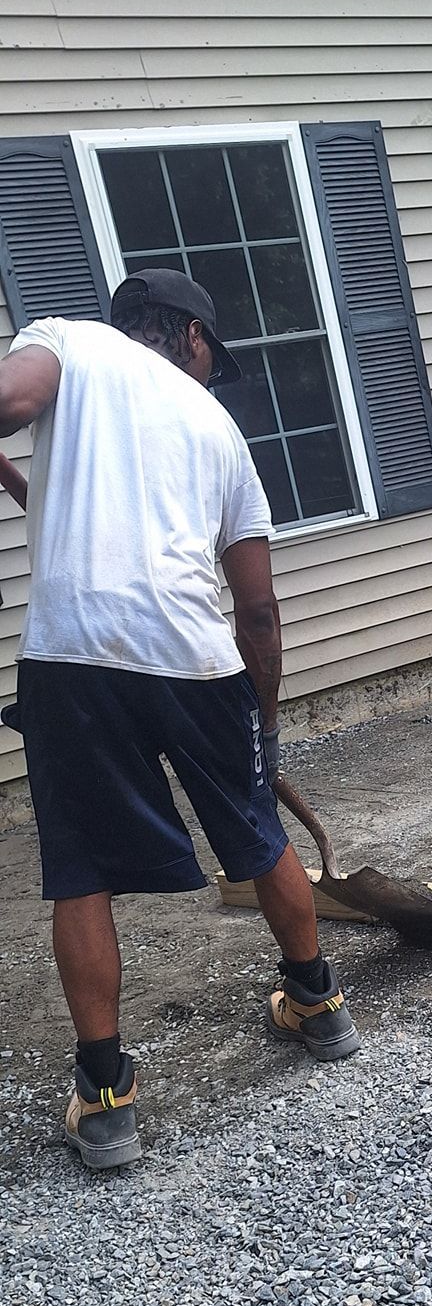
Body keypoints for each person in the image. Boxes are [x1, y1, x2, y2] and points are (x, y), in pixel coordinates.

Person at [0, 269, 360, 1173]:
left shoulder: (71, 344)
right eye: (212, 355)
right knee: (253, 825)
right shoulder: (216, 428)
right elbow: (260, 611)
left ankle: (108, 1098)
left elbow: (12, 401)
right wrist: (261, 730)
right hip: (202, 664)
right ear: (192, 339)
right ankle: (318, 1007)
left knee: (81, 867)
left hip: (76, 657)